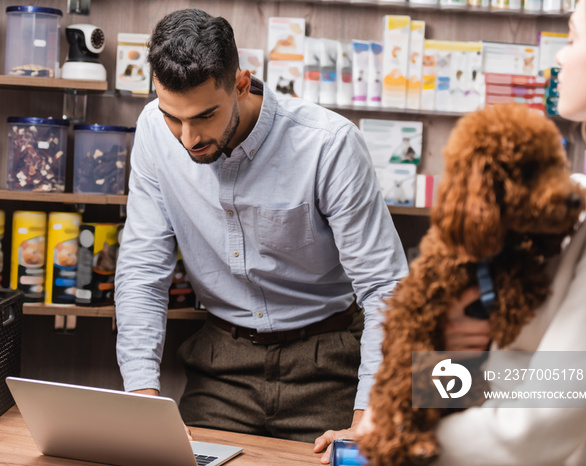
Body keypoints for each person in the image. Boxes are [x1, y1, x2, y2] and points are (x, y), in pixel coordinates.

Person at [113, 7, 408, 457]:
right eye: (174, 117)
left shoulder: (328, 144)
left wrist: (369, 417)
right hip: (221, 366)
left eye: (204, 116)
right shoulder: (155, 130)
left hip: (327, 364)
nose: (187, 138)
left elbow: (384, 286)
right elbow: (142, 271)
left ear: (241, 84)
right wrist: (141, 400)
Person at [356, 0, 586, 463]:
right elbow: (514, 371)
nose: (559, 59)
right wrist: (419, 385)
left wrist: (395, 433)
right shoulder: (578, 199)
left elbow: (550, 407)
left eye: (572, 39)